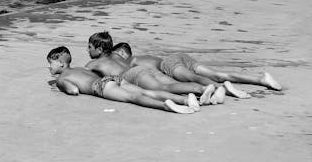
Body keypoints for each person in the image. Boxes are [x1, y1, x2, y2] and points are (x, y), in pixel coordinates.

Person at [47, 46, 199, 114]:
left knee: (133, 97)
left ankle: (165, 106)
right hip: (111, 79)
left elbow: (73, 91)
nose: (49, 67)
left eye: (50, 63)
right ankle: (184, 100)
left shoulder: (62, 78)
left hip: (100, 86)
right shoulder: (79, 68)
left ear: (61, 63)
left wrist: (61, 87)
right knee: (147, 92)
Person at [84, 33, 221, 105]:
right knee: (172, 84)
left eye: (90, 47)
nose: (87, 50)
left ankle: (202, 90)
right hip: (143, 69)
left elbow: (87, 78)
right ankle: (205, 89)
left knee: (163, 88)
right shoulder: (116, 56)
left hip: (132, 74)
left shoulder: (93, 64)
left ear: (100, 49)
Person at [111, 42, 282, 98]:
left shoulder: (131, 61)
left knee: (193, 78)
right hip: (178, 58)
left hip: (169, 65)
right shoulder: (144, 57)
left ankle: (223, 89)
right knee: (217, 74)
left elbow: (124, 74)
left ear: (121, 52)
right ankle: (260, 79)